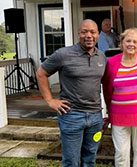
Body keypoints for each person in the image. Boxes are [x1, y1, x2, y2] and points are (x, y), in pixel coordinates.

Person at [36, 19, 106, 167]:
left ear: (98, 34)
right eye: (84, 32)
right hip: (72, 115)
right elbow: (41, 73)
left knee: (89, 159)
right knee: (71, 162)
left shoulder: (101, 57)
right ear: (78, 34)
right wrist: (50, 100)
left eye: (92, 32)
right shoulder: (63, 54)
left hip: (95, 117)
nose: (89, 35)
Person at [102, 27, 137, 167]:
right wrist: (109, 108)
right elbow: (107, 88)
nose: (131, 44)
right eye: (128, 41)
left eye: (135, 41)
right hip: (119, 116)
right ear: (121, 42)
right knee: (121, 153)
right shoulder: (112, 62)